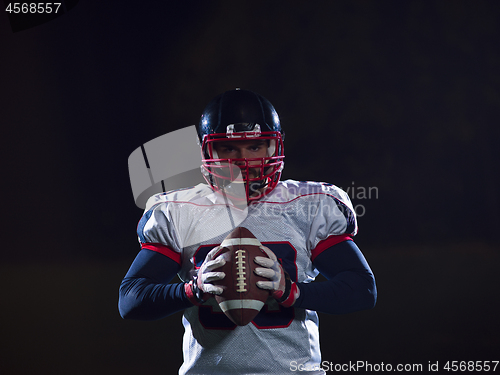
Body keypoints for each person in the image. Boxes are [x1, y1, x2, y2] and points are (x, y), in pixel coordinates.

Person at [119, 88, 377, 375]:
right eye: (229, 148)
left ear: (273, 148)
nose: (243, 161)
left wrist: (292, 292)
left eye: (254, 147)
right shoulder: (181, 211)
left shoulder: (308, 206)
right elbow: (131, 299)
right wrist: (193, 289)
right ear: (207, 152)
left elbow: (362, 289)